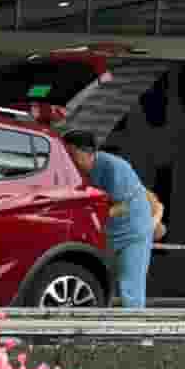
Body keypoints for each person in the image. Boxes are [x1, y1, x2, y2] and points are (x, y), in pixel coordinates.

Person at [64, 130, 163, 309]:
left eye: (72, 154)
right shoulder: (77, 171)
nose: (69, 160)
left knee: (131, 287)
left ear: (89, 152)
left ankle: (133, 331)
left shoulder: (114, 167)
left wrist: (90, 219)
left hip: (134, 230)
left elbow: (121, 206)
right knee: (99, 279)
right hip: (107, 232)